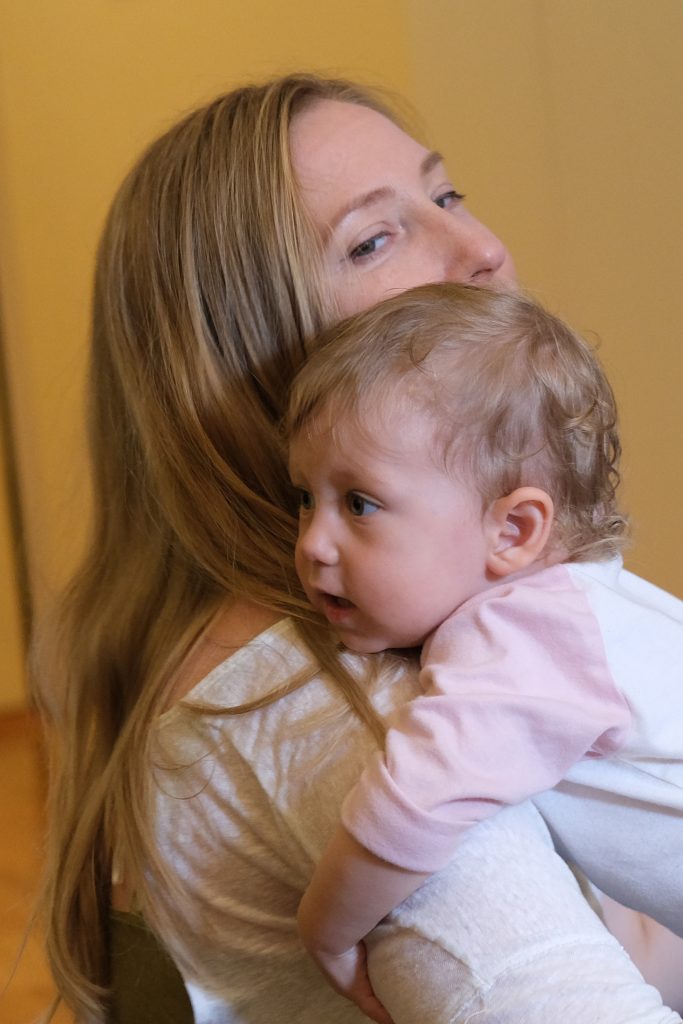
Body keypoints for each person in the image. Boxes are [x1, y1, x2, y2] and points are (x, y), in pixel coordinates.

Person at [34, 73, 682, 1024]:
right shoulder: (342, 720)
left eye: (447, 196)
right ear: (251, 354)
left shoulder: (456, 627)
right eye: (375, 238)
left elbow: (633, 944)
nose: (484, 251)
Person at [288, 281, 683, 1011]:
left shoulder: (517, 637)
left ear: (512, 532)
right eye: (303, 498)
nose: (312, 543)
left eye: (360, 503)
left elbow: (409, 810)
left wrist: (326, 931)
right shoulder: (586, 612)